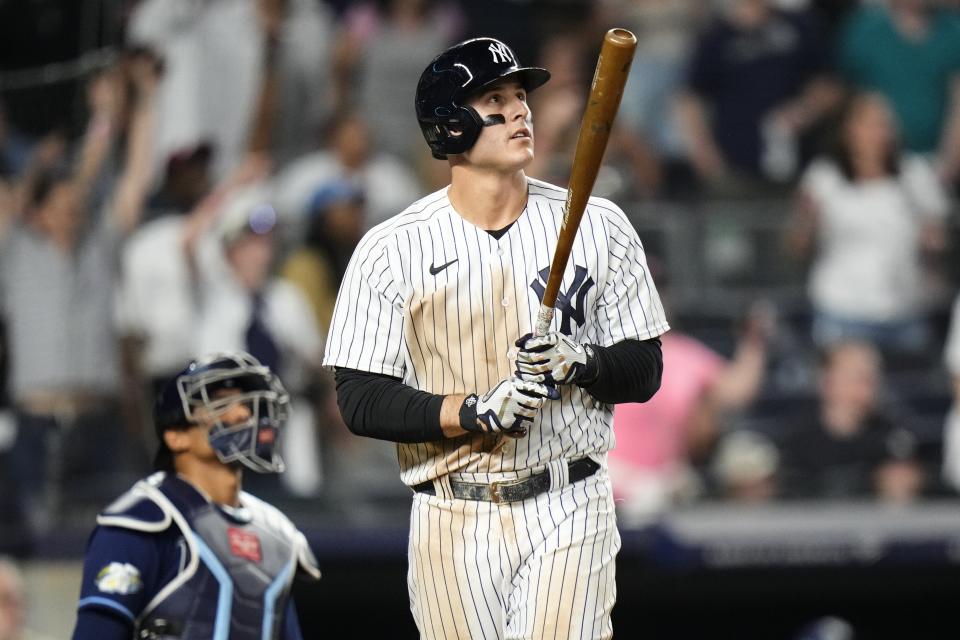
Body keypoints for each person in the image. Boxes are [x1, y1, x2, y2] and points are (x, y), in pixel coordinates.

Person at [323, 37, 668, 638]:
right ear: (450, 125)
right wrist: (474, 411)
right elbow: (360, 398)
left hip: (568, 496)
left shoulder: (598, 223)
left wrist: (581, 361)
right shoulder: (391, 249)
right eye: (494, 99)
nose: (519, 111)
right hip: (451, 509)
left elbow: (645, 367)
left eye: (519, 97)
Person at [71, 351, 319, 639]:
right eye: (220, 403)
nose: (242, 413)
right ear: (175, 435)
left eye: (244, 404)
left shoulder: (278, 535)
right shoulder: (141, 521)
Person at [785, 92, 950, 358]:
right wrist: (806, 221)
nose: (879, 134)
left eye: (885, 124)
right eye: (870, 124)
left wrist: (932, 241)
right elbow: (797, 249)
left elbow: (938, 243)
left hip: (904, 311)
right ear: (848, 130)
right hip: (841, 311)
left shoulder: (916, 175)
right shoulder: (823, 177)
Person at [776, 341, 924, 502]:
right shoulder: (798, 436)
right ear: (829, 382)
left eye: (874, 379)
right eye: (861, 378)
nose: (872, 387)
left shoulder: (891, 436)